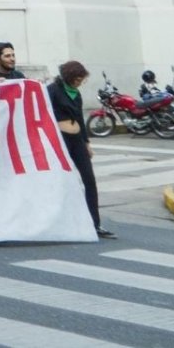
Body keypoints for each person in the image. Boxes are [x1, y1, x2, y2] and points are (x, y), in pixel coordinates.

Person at [49, 60, 114, 239]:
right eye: (77, 79)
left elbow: (79, 117)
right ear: (69, 76)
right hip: (60, 140)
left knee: (89, 179)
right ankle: (61, 221)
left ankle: (95, 223)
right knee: (62, 181)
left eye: (81, 80)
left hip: (77, 139)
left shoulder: (75, 93)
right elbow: (44, 113)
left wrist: (86, 143)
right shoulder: (53, 90)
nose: (79, 83)